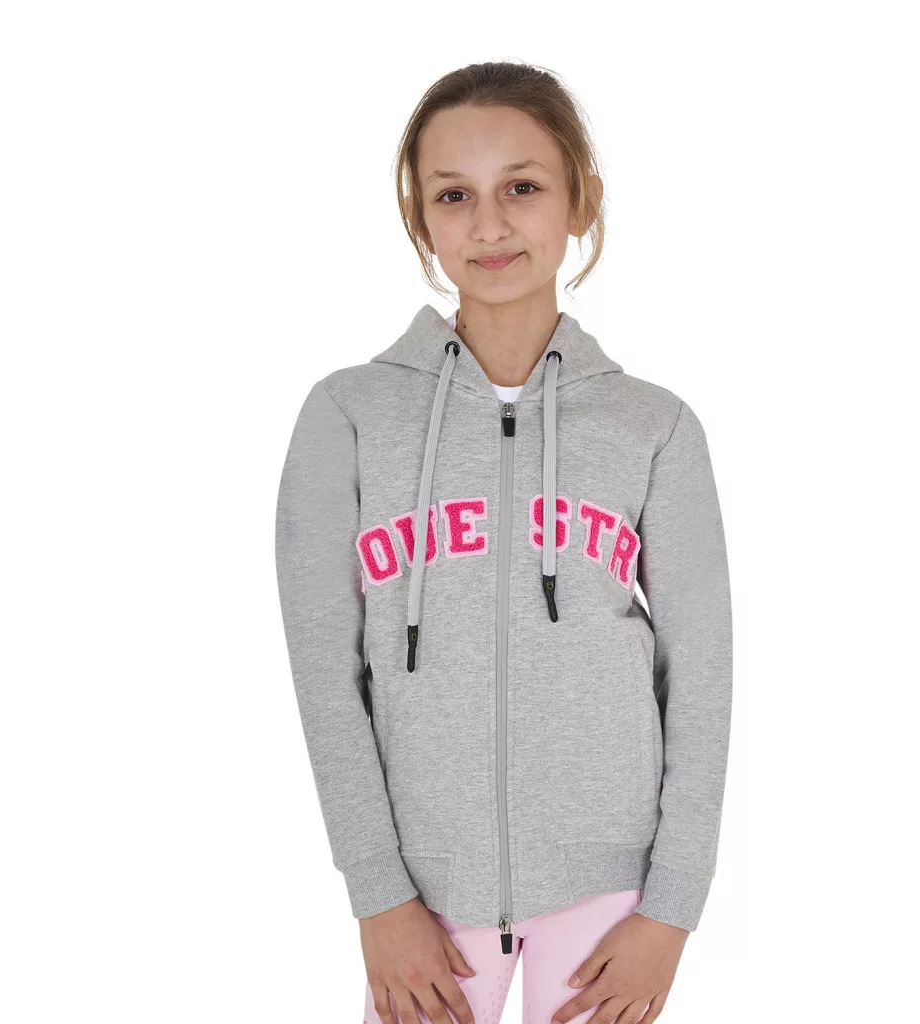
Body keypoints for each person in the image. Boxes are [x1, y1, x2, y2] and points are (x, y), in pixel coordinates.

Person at [274, 61, 732, 1024]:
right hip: (422, 899)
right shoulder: (348, 415)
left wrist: (672, 912)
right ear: (420, 220)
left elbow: (701, 679)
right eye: (454, 196)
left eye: (522, 187)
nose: (489, 225)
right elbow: (325, 674)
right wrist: (378, 894)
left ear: (580, 199)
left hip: (612, 897)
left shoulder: (654, 427)